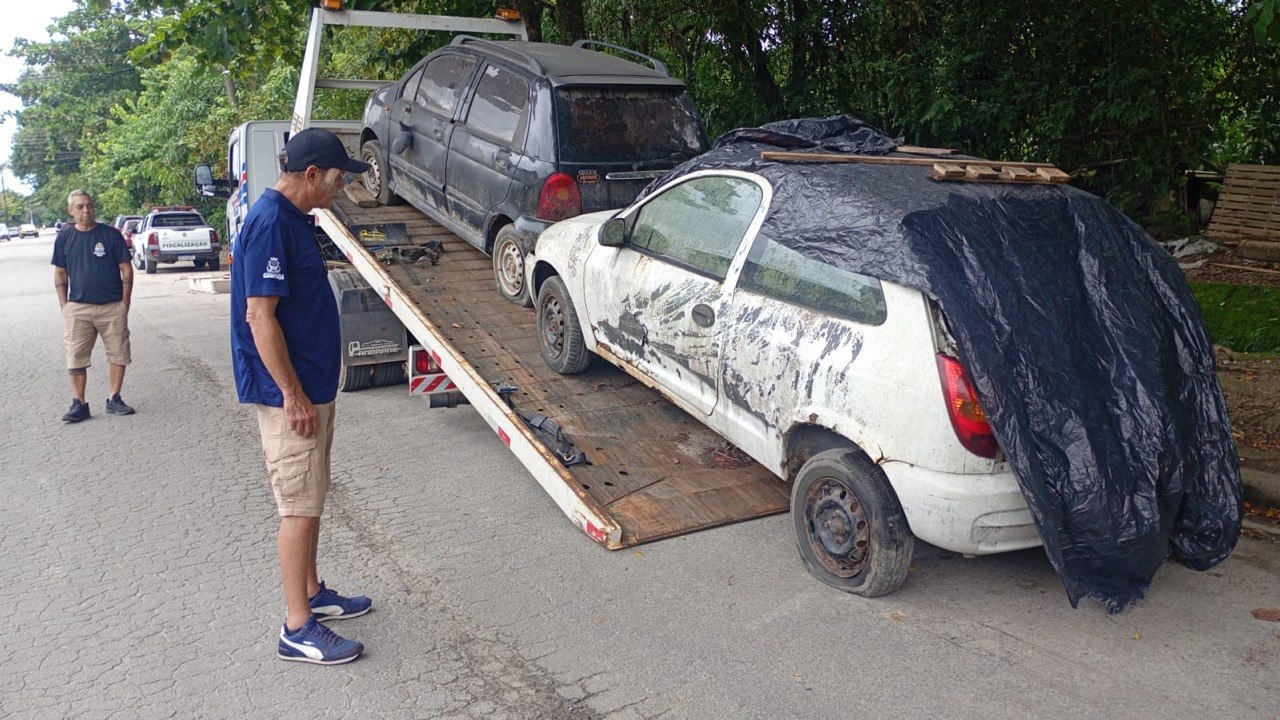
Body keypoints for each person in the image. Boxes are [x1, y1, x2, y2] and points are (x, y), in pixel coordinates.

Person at [230, 128, 373, 665]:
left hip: (310, 386)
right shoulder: (269, 224)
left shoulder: (293, 219)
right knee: (297, 506)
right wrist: (290, 394)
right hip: (290, 394)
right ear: (310, 175)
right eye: (337, 179)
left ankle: (313, 593)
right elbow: (259, 318)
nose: (341, 188)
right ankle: (296, 626)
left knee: (311, 496)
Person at [52, 190, 135, 423]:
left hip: (111, 306)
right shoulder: (65, 238)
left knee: (118, 353)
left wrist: (124, 303)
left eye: (89, 205)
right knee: (75, 356)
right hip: (78, 308)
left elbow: (126, 268)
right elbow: (60, 272)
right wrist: (64, 305)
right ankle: (79, 403)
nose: (85, 210)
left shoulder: (110, 234)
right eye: (79, 207)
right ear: (70, 210)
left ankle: (114, 398)